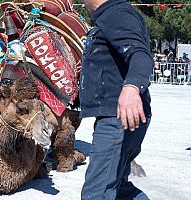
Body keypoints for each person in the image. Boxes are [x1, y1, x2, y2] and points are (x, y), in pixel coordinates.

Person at [80, 0, 153, 199]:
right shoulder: (109, 15)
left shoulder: (116, 13)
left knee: (97, 193)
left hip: (117, 118)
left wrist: (131, 87)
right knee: (120, 190)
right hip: (121, 117)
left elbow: (140, 55)